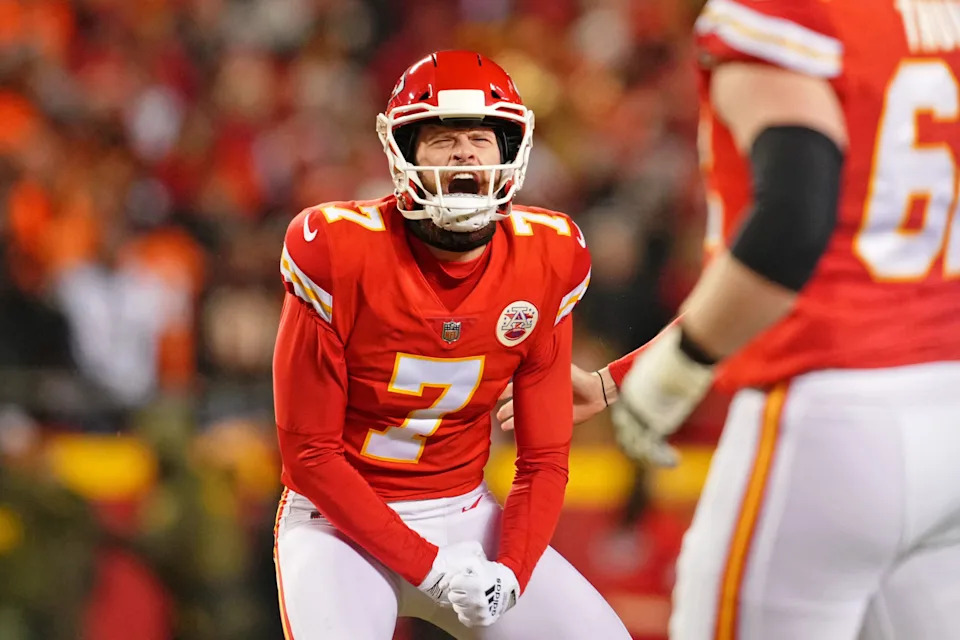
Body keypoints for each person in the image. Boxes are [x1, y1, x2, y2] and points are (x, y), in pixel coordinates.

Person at [500, 1, 960, 638]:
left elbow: (789, 232)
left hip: (831, 412)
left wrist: (669, 380)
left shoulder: (784, 12)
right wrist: (622, 380)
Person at [271, 50, 630, 640]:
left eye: (481, 137)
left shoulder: (550, 255)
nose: (464, 151)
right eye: (441, 137)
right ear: (403, 154)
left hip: (465, 515)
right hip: (339, 528)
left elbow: (543, 461)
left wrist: (512, 572)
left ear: (509, 153)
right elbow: (308, 458)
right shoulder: (337, 250)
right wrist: (431, 570)